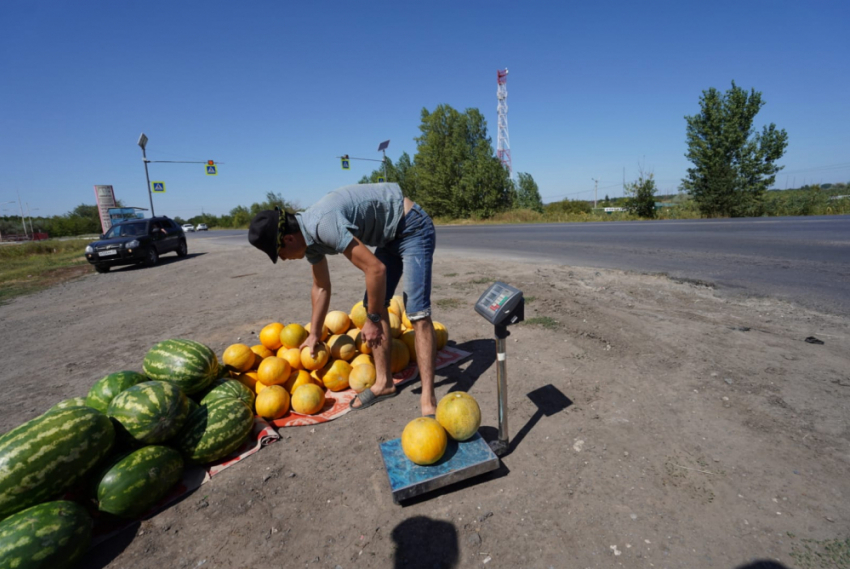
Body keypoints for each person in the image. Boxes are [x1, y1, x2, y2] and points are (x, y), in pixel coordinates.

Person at [248, 183, 438, 416]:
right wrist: (315, 333)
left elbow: (375, 270)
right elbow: (321, 287)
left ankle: (428, 398)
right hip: (389, 237)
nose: (284, 259)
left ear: (288, 239)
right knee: (373, 303)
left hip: (412, 226)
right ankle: (384, 383)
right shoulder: (308, 241)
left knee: (417, 312)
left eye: (280, 254)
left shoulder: (322, 224)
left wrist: (373, 319)